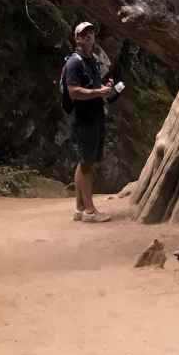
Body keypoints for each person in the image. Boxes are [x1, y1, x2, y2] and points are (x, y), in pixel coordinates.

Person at [63, 21, 116, 223]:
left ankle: (79, 208)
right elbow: (74, 91)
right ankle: (90, 211)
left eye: (91, 33)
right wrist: (97, 92)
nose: (88, 36)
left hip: (94, 116)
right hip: (83, 118)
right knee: (87, 165)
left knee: (84, 162)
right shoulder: (74, 62)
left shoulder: (91, 60)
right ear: (76, 38)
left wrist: (105, 87)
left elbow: (92, 85)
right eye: (84, 34)